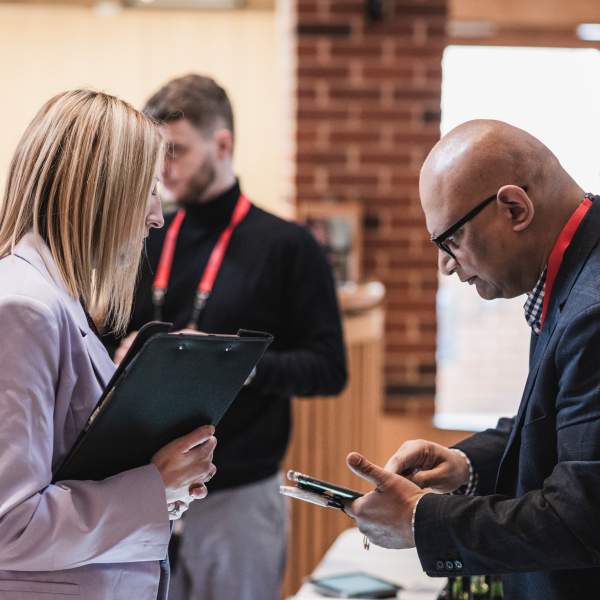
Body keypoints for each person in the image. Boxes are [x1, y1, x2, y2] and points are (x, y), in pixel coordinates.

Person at [104, 74, 347, 600]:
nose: (162, 170)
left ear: (223, 144)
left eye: (176, 152)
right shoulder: (145, 233)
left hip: (236, 496)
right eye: (156, 154)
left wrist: (233, 364)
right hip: (137, 490)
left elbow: (329, 369)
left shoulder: (288, 246)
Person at [342, 120, 600, 599]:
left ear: (514, 208)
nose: (445, 265)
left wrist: (420, 522)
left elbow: (580, 519)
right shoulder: (577, 273)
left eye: (450, 241)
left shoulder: (593, 308)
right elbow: (560, 431)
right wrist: (466, 464)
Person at [0, 89, 217, 600]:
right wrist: (154, 487)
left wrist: (166, 482)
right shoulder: (23, 308)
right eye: (147, 191)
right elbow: (11, 526)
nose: (156, 218)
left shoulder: (56, 300)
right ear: (97, 192)